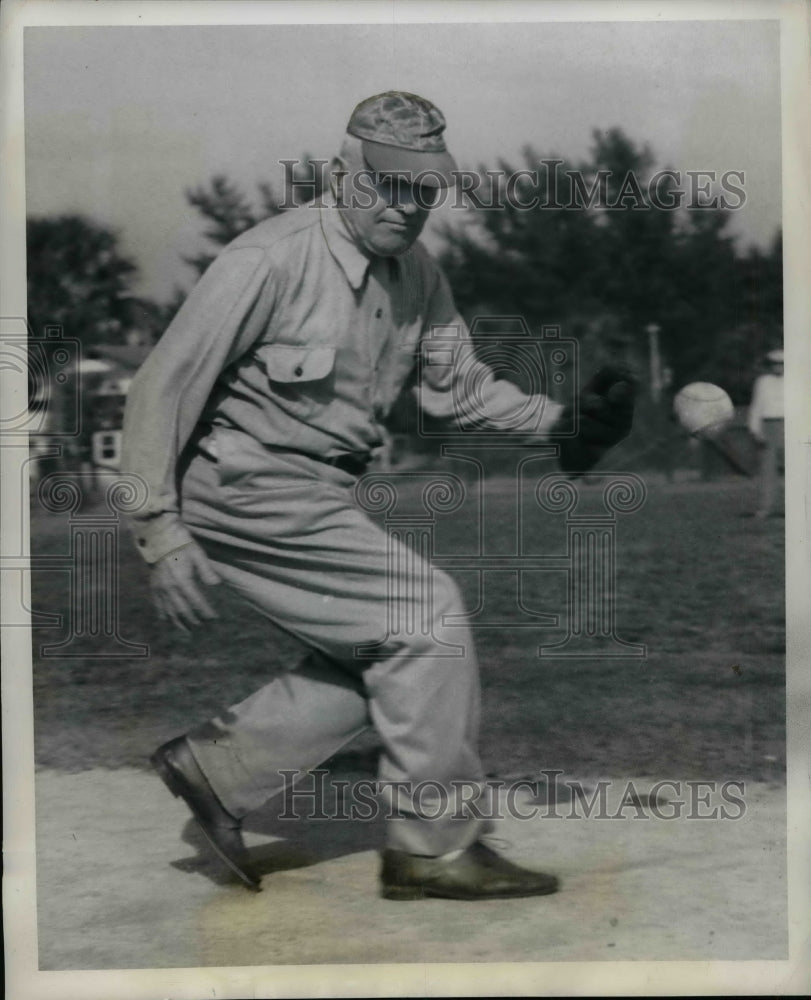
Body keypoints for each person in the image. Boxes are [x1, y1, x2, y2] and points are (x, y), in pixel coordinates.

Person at [122, 91, 635, 900]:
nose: (407, 206)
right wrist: (160, 530)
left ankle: (217, 770)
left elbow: (455, 390)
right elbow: (161, 386)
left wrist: (562, 426)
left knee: (392, 656)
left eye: (423, 189)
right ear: (339, 176)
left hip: (318, 491)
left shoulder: (417, 274)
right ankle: (432, 850)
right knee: (426, 620)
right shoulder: (269, 259)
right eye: (388, 185)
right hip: (243, 485)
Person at [747, 348, 785, 519]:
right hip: (768, 426)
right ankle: (765, 508)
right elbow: (756, 406)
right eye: (775, 364)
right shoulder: (762, 382)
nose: (778, 367)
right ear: (770, 365)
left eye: (782, 364)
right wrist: (756, 430)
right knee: (767, 469)